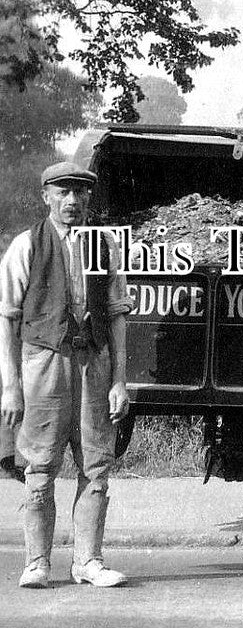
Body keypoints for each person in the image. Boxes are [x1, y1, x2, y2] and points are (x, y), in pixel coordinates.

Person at [0, 161, 133, 589]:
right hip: (43, 364)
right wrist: (11, 386)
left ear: (89, 197)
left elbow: (116, 316)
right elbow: (7, 318)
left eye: (80, 192)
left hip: (93, 363)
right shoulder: (26, 244)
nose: (72, 200)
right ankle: (37, 563)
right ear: (46, 196)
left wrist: (118, 380)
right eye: (62, 192)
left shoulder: (105, 245)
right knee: (40, 467)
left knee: (96, 464)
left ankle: (87, 562)